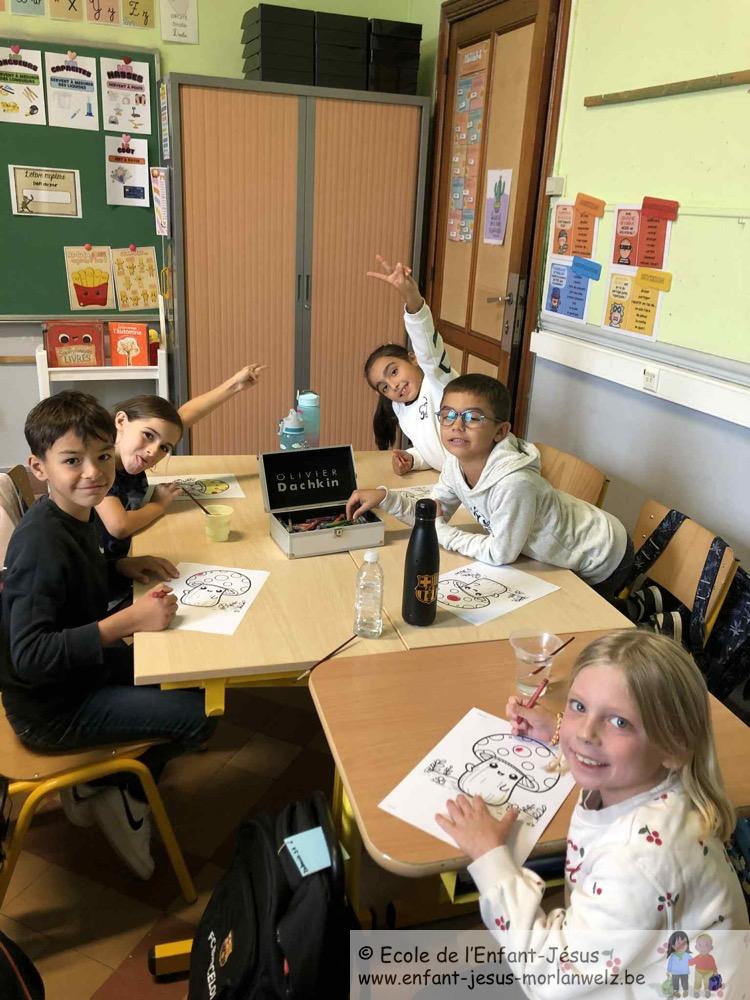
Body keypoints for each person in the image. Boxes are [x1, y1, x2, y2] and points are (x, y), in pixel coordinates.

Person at [436, 632, 748, 992]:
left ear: (673, 747)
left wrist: (490, 857)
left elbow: (548, 981)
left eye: (619, 722)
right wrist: (557, 730)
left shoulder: (637, 861)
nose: (585, 733)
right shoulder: (653, 776)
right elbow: (608, 750)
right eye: (579, 706)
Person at [0, 391, 217, 880]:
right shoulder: (41, 543)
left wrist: (118, 567)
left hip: (78, 674)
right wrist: (129, 622)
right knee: (201, 717)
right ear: (39, 467)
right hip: (51, 710)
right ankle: (122, 792)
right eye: (72, 461)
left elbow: (72, 583)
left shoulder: (72, 514)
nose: (94, 472)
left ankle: (97, 784)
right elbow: (31, 654)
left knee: (194, 676)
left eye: (102, 457)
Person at [346, 372, 633, 599]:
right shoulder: (456, 464)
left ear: (500, 431)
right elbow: (430, 513)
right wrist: (385, 497)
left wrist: (442, 533)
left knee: (593, 620)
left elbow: (500, 553)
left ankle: (639, 606)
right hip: (556, 553)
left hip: (601, 553)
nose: (457, 425)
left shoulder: (514, 483)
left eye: (472, 417)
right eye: (447, 415)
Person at [97, 362, 266, 559]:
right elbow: (119, 526)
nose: (153, 451)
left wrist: (235, 384)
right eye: (148, 435)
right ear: (121, 421)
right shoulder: (100, 466)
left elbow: (184, 416)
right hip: (109, 571)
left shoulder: (129, 451)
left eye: (164, 447)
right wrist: (158, 505)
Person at [363, 254, 458, 476]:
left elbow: (427, 346)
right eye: (384, 387)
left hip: (491, 479)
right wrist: (413, 459)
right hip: (457, 483)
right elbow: (434, 451)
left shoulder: (438, 380)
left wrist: (411, 298)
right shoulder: (400, 408)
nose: (393, 386)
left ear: (413, 358)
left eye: (394, 371)